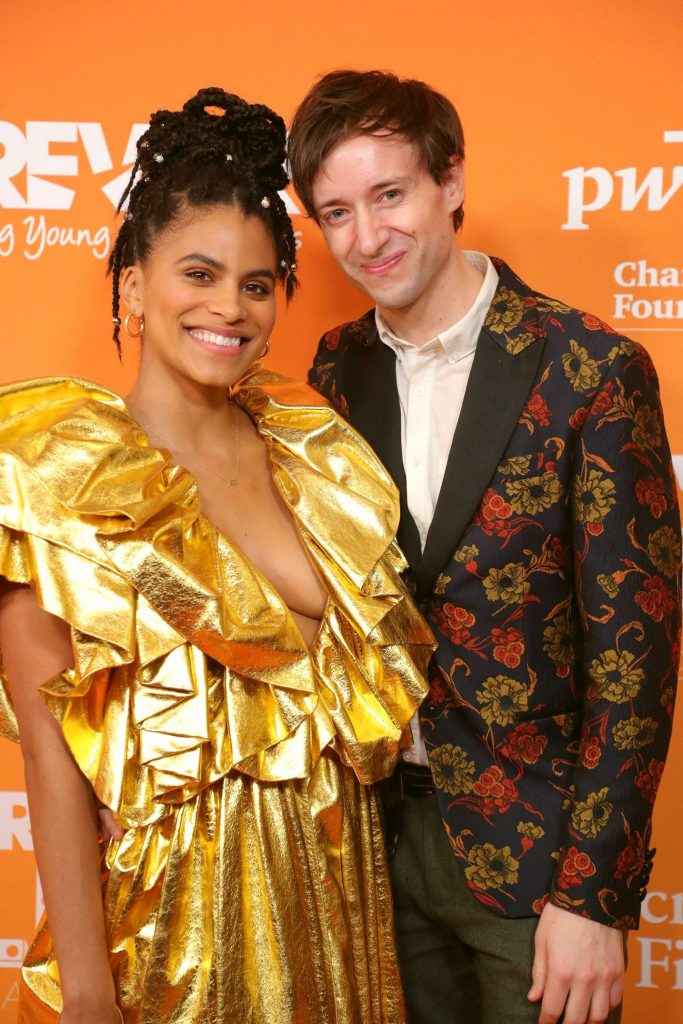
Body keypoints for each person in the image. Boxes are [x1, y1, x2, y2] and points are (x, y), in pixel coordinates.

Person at [0, 86, 434, 1024]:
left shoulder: (317, 455)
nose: (228, 308)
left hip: (334, 905)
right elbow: (51, 759)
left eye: (256, 284)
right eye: (197, 274)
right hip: (170, 929)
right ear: (131, 286)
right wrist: (86, 995)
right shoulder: (59, 473)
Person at [288, 69, 681, 1024]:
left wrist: (593, 896)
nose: (366, 237)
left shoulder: (589, 368)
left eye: (389, 195)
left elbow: (635, 656)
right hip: (375, 845)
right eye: (335, 212)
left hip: (540, 866)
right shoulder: (336, 368)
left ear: (451, 181)